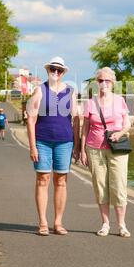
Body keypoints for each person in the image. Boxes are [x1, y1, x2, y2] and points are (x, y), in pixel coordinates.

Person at [26, 56, 80, 236]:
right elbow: (31, 120)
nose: (55, 72)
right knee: (43, 180)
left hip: (65, 142)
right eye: (52, 69)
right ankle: (43, 222)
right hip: (42, 141)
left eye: (59, 70)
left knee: (61, 181)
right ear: (48, 70)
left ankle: (58, 222)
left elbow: (76, 120)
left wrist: (77, 145)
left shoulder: (71, 92)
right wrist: (32, 146)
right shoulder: (40, 90)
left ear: (63, 72)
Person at [81, 67, 131, 237]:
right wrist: (82, 150)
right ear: (97, 82)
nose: (103, 84)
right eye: (100, 80)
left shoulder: (120, 100)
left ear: (113, 83)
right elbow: (85, 128)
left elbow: (127, 124)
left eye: (107, 81)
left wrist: (121, 133)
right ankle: (105, 224)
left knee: (119, 186)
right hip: (94, 149)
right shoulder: (90, 103)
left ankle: (122, 225)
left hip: (118, 149)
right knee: (100, 187)